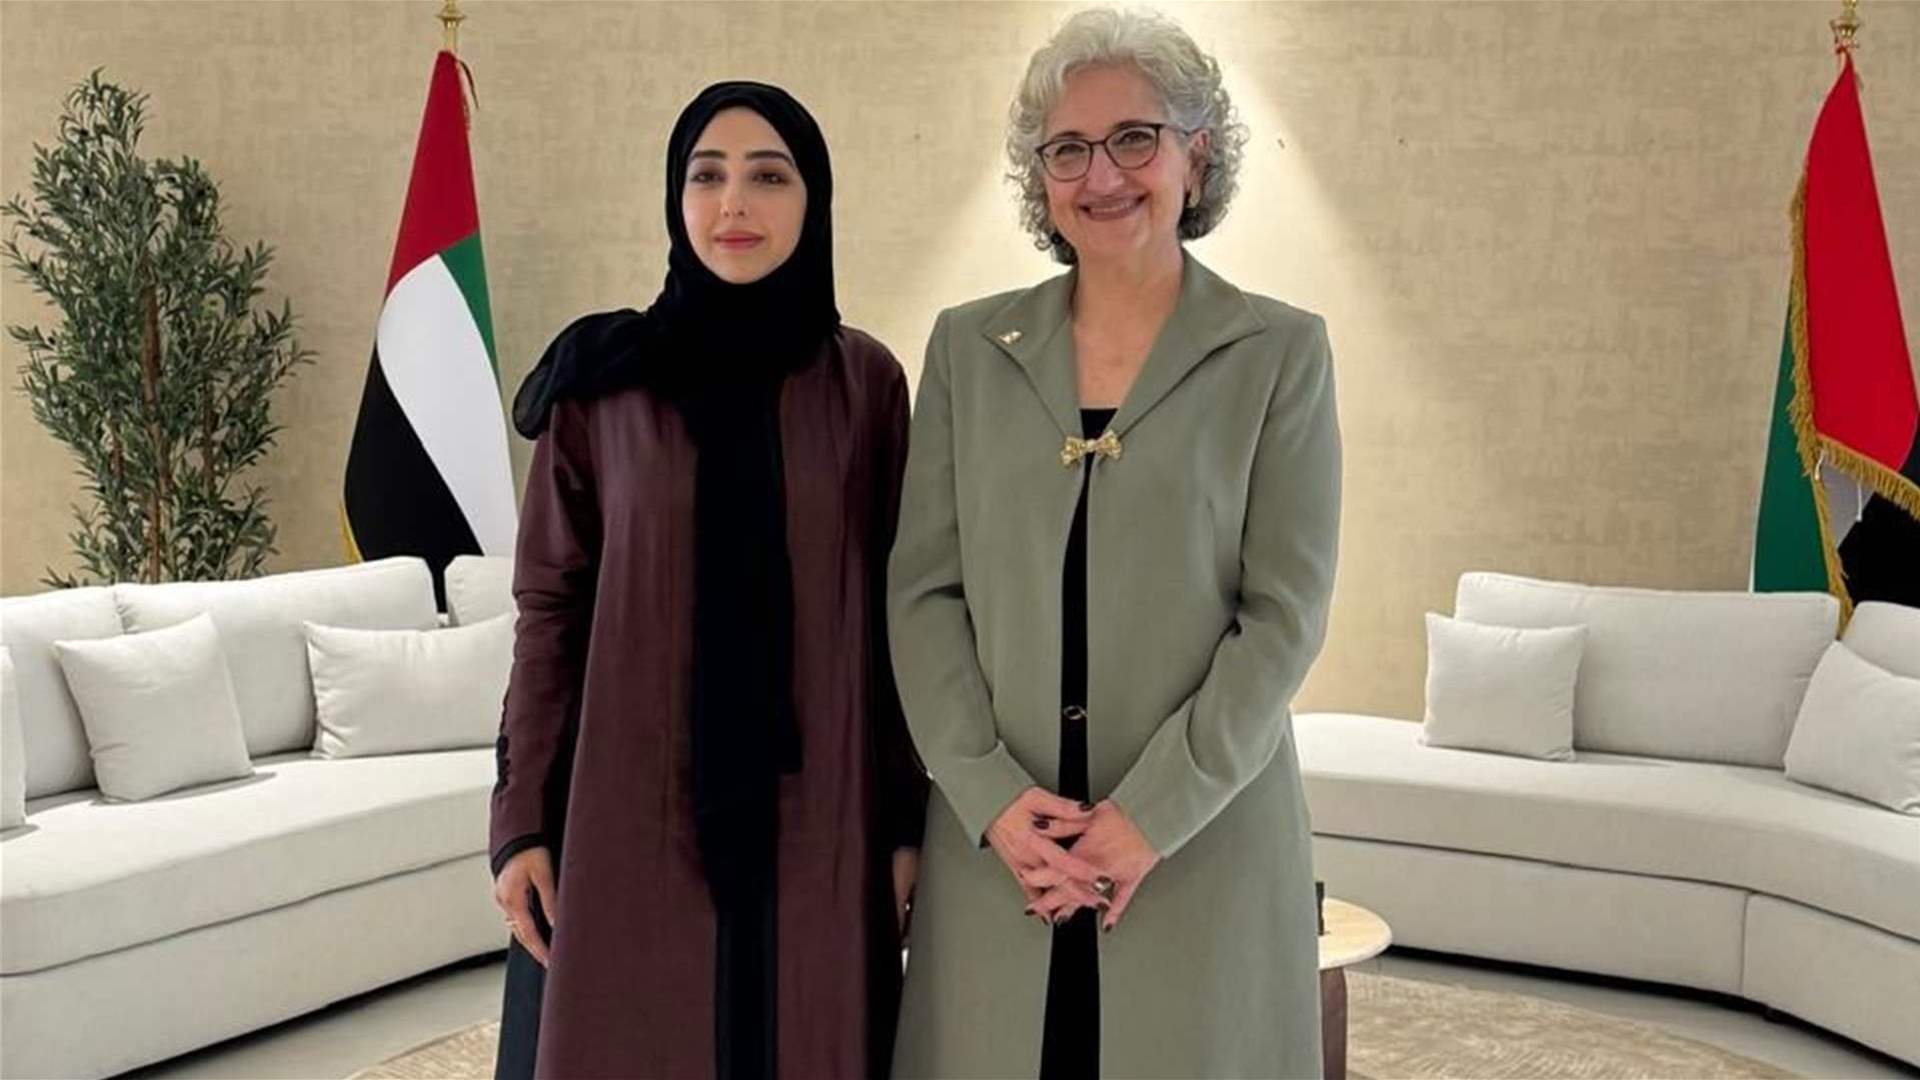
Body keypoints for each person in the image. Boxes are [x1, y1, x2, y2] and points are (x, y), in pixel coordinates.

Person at [887, 9, 1341, 1078]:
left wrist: (1149, 815)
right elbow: (924, 595)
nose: (1102, 176)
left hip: (1198, 843)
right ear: (1039, 178)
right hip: (1005, 851)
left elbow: (1283, 618)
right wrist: (991, 799)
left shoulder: (1280, 352)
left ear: (1198, 155)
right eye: (1068, 149)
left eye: (1135, 138)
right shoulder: (967, 348)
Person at [488, 81, 927, 1080]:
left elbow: (896, 620)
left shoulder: (864, 387)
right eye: (706, 176)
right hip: (629, 802)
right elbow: (548, 612)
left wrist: (907, 820)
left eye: (769, 177)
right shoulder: (602, 387)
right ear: (674, 199)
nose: (734, 204)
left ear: (814, 201)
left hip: (821, 810)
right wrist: (521, 820)